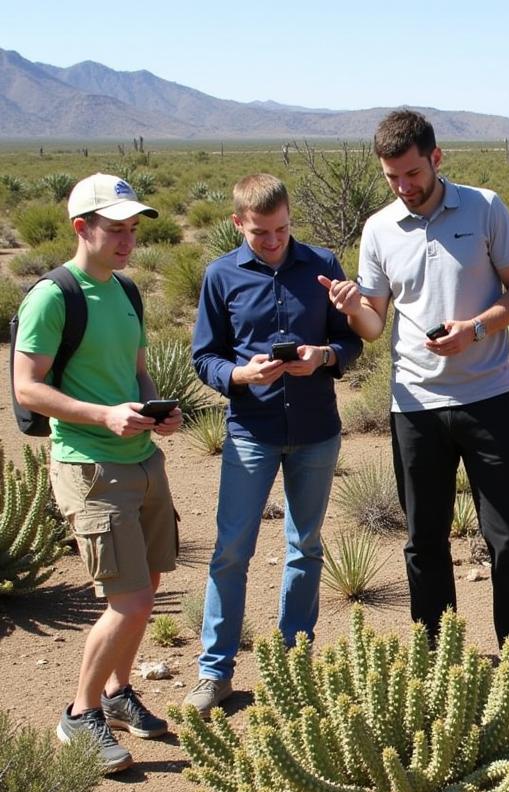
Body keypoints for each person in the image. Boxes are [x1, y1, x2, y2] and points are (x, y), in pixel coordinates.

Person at [320, 109, 509, 669]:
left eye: (412, 173)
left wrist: (477, 328)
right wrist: (354, 311)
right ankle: (438, 661)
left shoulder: (485, 207)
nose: (404, 187)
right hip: (415, 406)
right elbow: (374, 325)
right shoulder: (378, 229)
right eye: (392, 177)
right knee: (424, 541)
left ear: (436, 159)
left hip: (488, 396)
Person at [12, 173, 182, 772]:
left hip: (141, 458)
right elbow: (27, 388)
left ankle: (116, 693)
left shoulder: (127, 292)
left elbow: (137, 370)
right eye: (116, 229)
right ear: (81, 228)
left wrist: (156, 408)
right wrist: (102, 415)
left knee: (149, 587)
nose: (127, 241)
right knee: (129, 600)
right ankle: (78, 714)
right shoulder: (53, 296)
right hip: (89, 464)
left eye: (133, 230)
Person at [186, 174, 362, 717]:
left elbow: (351, 337)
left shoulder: (322, 265)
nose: (273, 240)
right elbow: (204, 356)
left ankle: (294, 663)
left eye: (282, 229)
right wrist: (240, 375)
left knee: (305, 547)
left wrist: (324, 356)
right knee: (231, 552)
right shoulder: (221, 276)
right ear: (239, 222)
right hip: (251, 433)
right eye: (261, 232)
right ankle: (215, 672)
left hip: (315, 430)